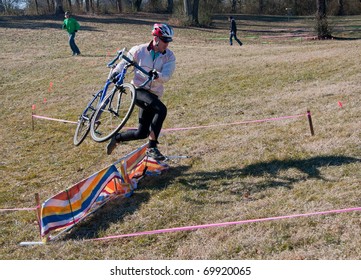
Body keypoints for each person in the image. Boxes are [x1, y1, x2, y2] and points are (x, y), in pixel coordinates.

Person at [106, 23, 176, 161]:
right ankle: (152, 148)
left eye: (169, 41)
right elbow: (123, 63)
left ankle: (117, 138)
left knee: (142, 132)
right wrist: (115, 74)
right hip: (138, 90)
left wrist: (158, 75)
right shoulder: (139, 50)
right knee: (161, 110)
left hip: (153, 94)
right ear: (156, 38)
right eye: (164, 41)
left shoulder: (169, 56)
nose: (167, 44)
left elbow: (167, 76)